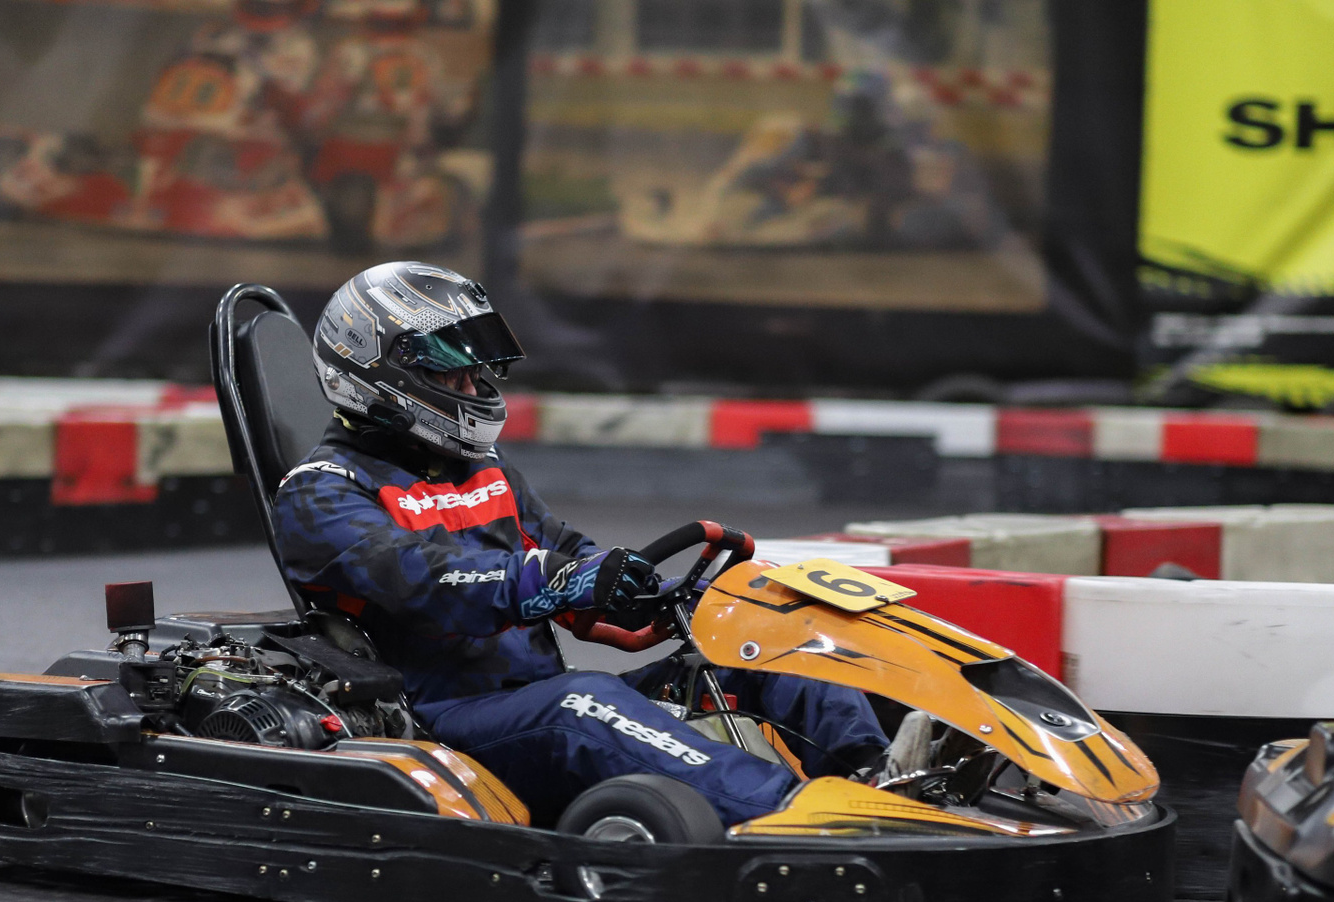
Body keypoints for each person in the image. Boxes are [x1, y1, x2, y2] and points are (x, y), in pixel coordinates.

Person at [273, 261, 887, 826]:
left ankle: (880, 777)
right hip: (445, 722)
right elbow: (426, 578)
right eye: (449, 370)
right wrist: (556, 578)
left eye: (474, 368)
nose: (473, 386)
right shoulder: (321, 492)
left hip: (533, 701)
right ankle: (809, 817)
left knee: (766, 645)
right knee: (584, 700)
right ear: (377, 371)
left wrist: (646, 591)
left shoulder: (482, 471)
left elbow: (565, 549)